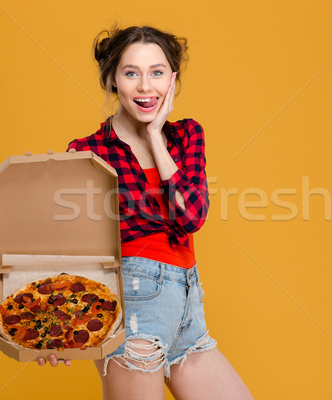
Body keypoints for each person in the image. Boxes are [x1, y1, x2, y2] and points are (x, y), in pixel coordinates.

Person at [38, 25, 253, 400]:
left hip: (189, 314)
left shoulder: (187, 136)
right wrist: (56, 320)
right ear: (112, 80)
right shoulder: (88, 151)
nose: (145, 87)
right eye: (131, 73)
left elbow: (191, 218)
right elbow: (75, 245)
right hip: (134, 309)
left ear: (173, 80)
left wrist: (155, 136)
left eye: (156, 72)